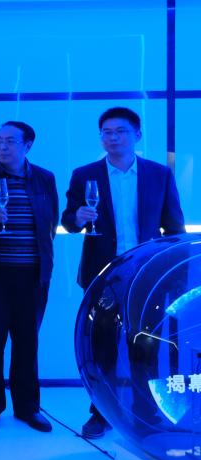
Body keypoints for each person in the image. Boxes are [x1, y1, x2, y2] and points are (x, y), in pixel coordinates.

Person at [61, 106, 185, 439]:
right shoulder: (84, 174)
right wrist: (77, 218)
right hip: (103, 274)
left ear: (137, 135)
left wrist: (175, 273)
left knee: (147, 344)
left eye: (120, 131)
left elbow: (174, 227)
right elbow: (68, 221)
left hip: (148, 272)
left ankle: (147, 412)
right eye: (107, 132)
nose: (113, 138)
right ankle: (100, 413)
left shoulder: (159, 174)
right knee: (100, 344)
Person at [0, 121, 58, 433]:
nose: (2, 147)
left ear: (27, 145)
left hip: (33, 275)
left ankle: (28, 408)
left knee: (27, 342)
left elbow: (52, 220)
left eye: (9, 142)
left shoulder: (44, 178)